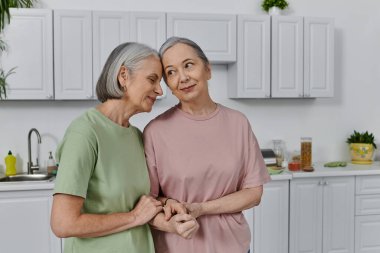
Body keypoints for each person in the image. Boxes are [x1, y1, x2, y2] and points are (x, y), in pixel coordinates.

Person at [143, 37, 271, 253]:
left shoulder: (238, 123)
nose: (182, 77)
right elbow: (150, 199)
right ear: (168, 86)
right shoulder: (155, 132)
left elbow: (253, 193)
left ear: (208, 70)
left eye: (188, 65)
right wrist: (173, 205)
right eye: (171, 72)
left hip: (233, 246)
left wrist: (201, 208)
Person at [50, 42, 164, 253]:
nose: (160, 90)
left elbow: (142, 203)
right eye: (152, 79)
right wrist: (134, 217)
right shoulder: (85, 132)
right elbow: (63, 223)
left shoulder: (137, 137)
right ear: (123, 76)